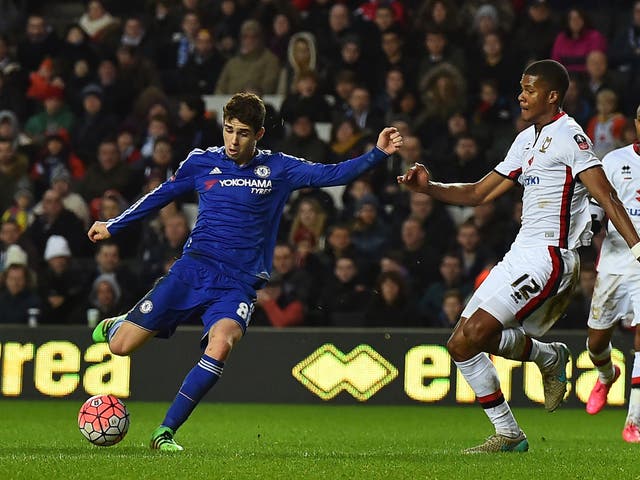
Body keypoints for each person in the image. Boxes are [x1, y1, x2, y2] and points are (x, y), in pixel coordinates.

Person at [87, 92, 403, 451]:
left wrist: (377, 154)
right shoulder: (201, 162)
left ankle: (166, 432)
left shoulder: (279, 168)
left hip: (237, 284)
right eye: (228, 130)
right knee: (121, 347)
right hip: (193, 270)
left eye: (243, 133)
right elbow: (162, 194)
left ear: (259, 135)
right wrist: (114, 224)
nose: (233, 140)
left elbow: (331, 173)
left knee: (221, 345)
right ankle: (119, 323)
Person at [398, 59, 640, 453]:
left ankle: (546, 361)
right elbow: (478, 192)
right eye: (521, 88)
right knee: (460, 345)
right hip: (520, 251)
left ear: (552, 95)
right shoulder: (526, 138)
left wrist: (636, 246)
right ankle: (513, 427)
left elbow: (606, 195)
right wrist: (429, 188)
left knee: (477, 333)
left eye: (529, 89)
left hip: (551, 256)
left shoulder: (571, 136)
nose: (520, 96)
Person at [583, 104, 640, 442]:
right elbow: (597, 202)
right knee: (596, 341)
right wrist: (592, 223)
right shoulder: (615, 161)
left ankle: (634, 420)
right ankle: (606, 375)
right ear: (635, 123)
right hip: (616, 261)